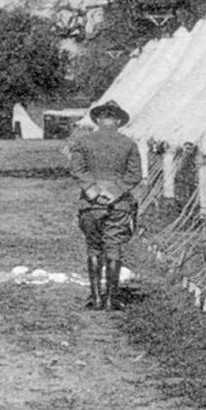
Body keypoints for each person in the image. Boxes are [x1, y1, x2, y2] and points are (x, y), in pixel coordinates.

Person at [68, 100, 143, 311]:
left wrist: (92, 191)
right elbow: (134, 175)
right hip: (118, 205)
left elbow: (77, 170)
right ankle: (111, 299)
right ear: (118, 121)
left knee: (93, 247)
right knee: (113, 247)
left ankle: (96, 297)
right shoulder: (129, 144)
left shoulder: (83, 143)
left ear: (99, 119)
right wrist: (113, 193)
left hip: (90, 205)